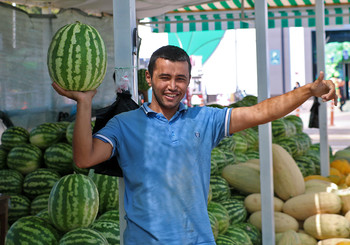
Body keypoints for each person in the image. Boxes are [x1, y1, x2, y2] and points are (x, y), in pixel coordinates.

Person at [51, 45, 337, 245]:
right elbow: (84, 159)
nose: (172, 86)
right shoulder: (123, 124)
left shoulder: (204, 119)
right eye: (164, 77)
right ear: (149, 78)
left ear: (188, 81)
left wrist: (308, 91)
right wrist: (84, 102)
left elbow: (261, 112)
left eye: (180, 79)